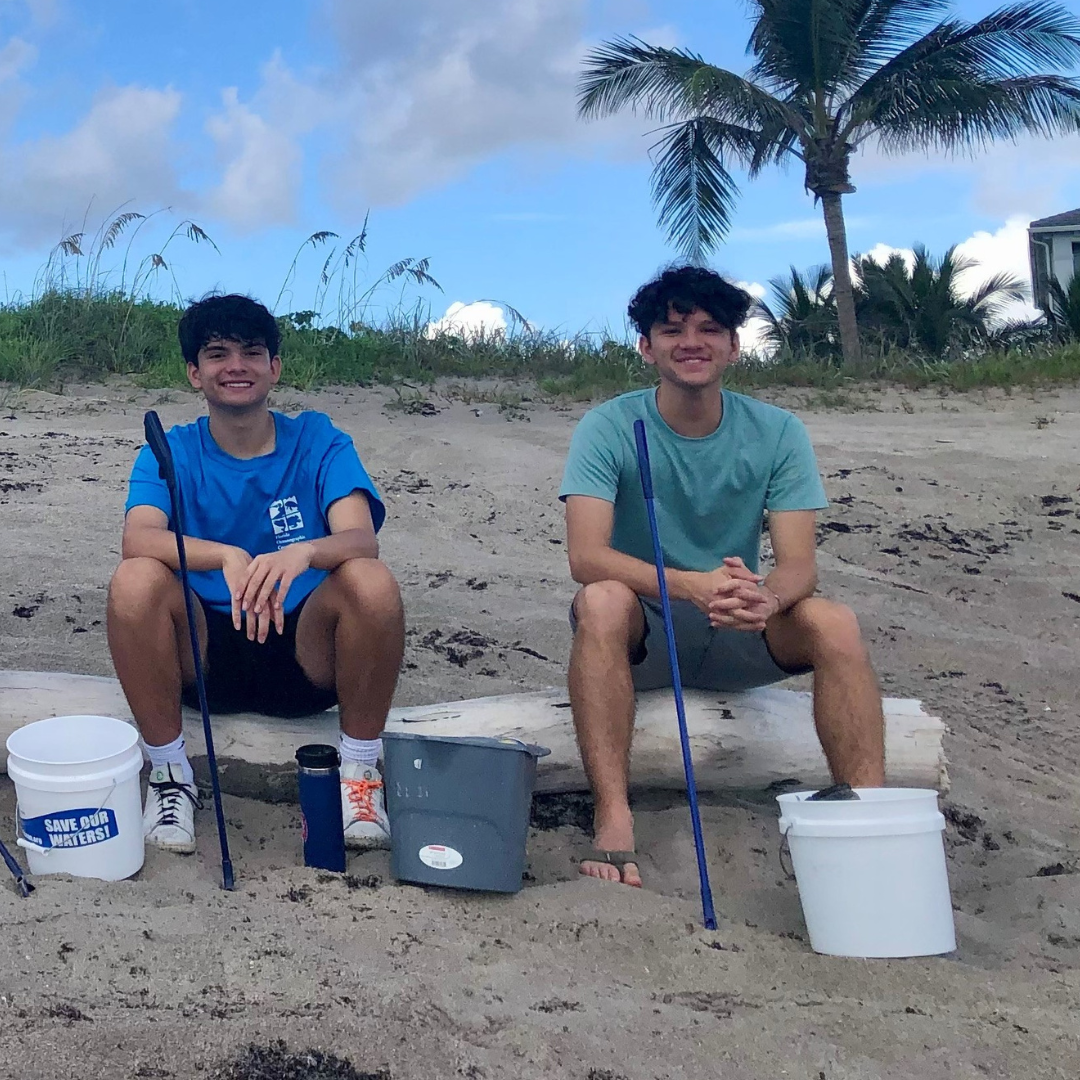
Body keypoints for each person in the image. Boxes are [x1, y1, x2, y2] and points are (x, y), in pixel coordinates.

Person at [559, 266, 886, 888]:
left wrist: (766, 598)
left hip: (740, 620)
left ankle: (867, 816)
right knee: (599, 600)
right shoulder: (608, 426)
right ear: (645, 345)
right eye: (672, 328)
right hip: (649, 629)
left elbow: (798, 565)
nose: (692, 341)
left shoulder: (778, 430)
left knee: (833, 620)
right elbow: (585, 556)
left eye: (711, 329)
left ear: (735, 346)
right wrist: (691, 584)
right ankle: (614, 816)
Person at [107, 294, 404, 854]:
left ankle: (360, 777)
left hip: (304, 647)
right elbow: (137, 538)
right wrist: (224, 555)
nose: (236, 366)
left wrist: (303, 554)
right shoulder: (169, 450)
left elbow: (361, 538)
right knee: (135, 580)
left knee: (370, 580)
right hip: (203, 653)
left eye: (252, 352)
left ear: (275, 367)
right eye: (217, 354)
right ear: (195, 373)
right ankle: (171, 776)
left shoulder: (320, 440)